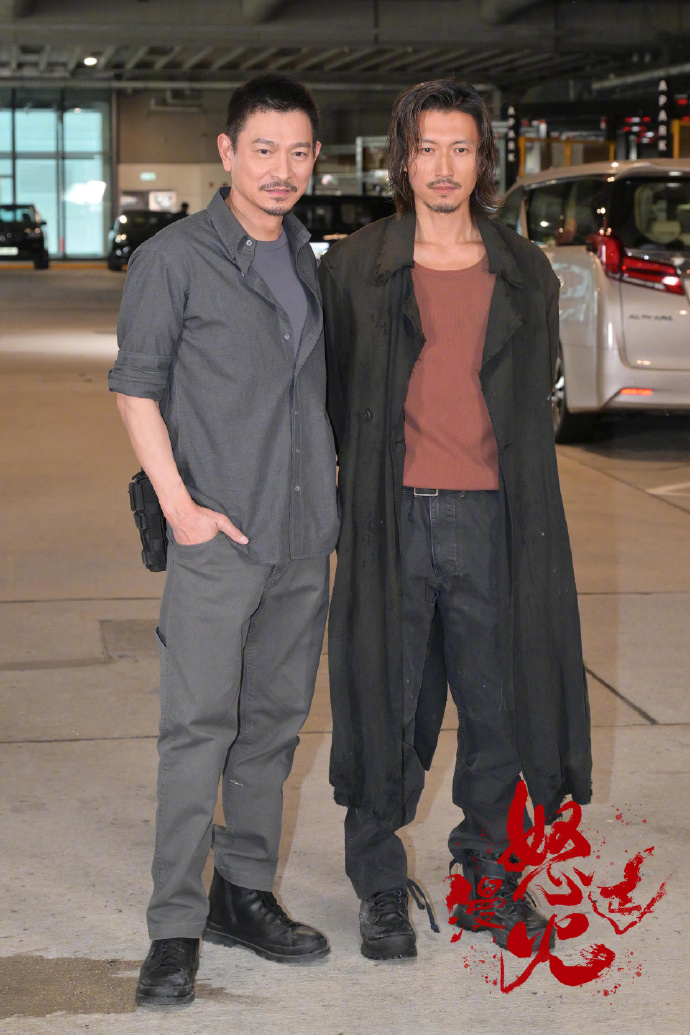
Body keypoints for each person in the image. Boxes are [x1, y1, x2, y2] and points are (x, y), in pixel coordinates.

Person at [319, 78, 592, 962]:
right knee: (384, 699)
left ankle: (488, 878)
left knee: (498, 705)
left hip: (492, 520)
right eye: (427, 148)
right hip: (390, 518)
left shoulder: (522, 268)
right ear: (402, 159)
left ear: (484, 160)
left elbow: (529, 399)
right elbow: (328, 396)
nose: (443, 166)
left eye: (461, 148)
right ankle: (379, 883)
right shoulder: (355, 267)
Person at [109, 72, 339, 1008]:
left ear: (313, 158)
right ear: (227, 152)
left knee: (274, 723)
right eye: (263, 150)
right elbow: (136, 388)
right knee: (197, 729)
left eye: (297, 152)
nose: (281, 169)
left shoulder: (306, 256)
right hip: (217, 536)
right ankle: (173, 926)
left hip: (301, 537)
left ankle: (241, 894)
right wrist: (182, 508)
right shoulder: (173, 260)